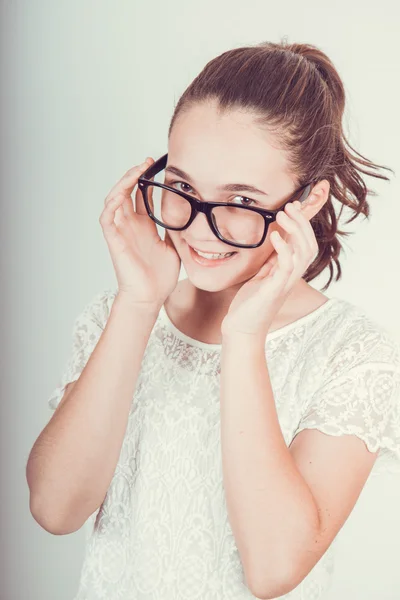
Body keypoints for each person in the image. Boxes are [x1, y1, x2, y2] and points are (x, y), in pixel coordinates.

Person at [27, 40, 400, 600]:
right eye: (182, 188)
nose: (201, 229)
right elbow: (55, 509)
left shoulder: (352, 354)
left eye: (242, 201)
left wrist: (244, 336)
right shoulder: (120, 314)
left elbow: (273, 569)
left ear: (309, 201)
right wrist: (137, 303)